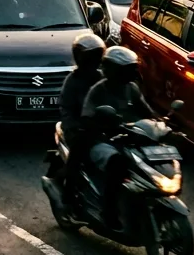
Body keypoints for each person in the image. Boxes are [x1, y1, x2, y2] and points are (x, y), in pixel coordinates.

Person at [81, 46, 154, 228]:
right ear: (113, 70)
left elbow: (146, 112)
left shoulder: (131, 89)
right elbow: (87, 118)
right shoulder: (98, 90)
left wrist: (162, 125)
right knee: (117, 164)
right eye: (127, 70)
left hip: (127, 139)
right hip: (102, 141)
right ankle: (109, 212)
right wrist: (106, 125)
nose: (132, 74)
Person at [57, 35, 106, 208]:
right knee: (79, 151)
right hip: (78, 129)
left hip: (101, 127)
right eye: (91, 58)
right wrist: (75, 127)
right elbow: (66, 108)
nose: (94, 62)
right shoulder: (73, 81)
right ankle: (68, 193)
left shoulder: (102, 78)